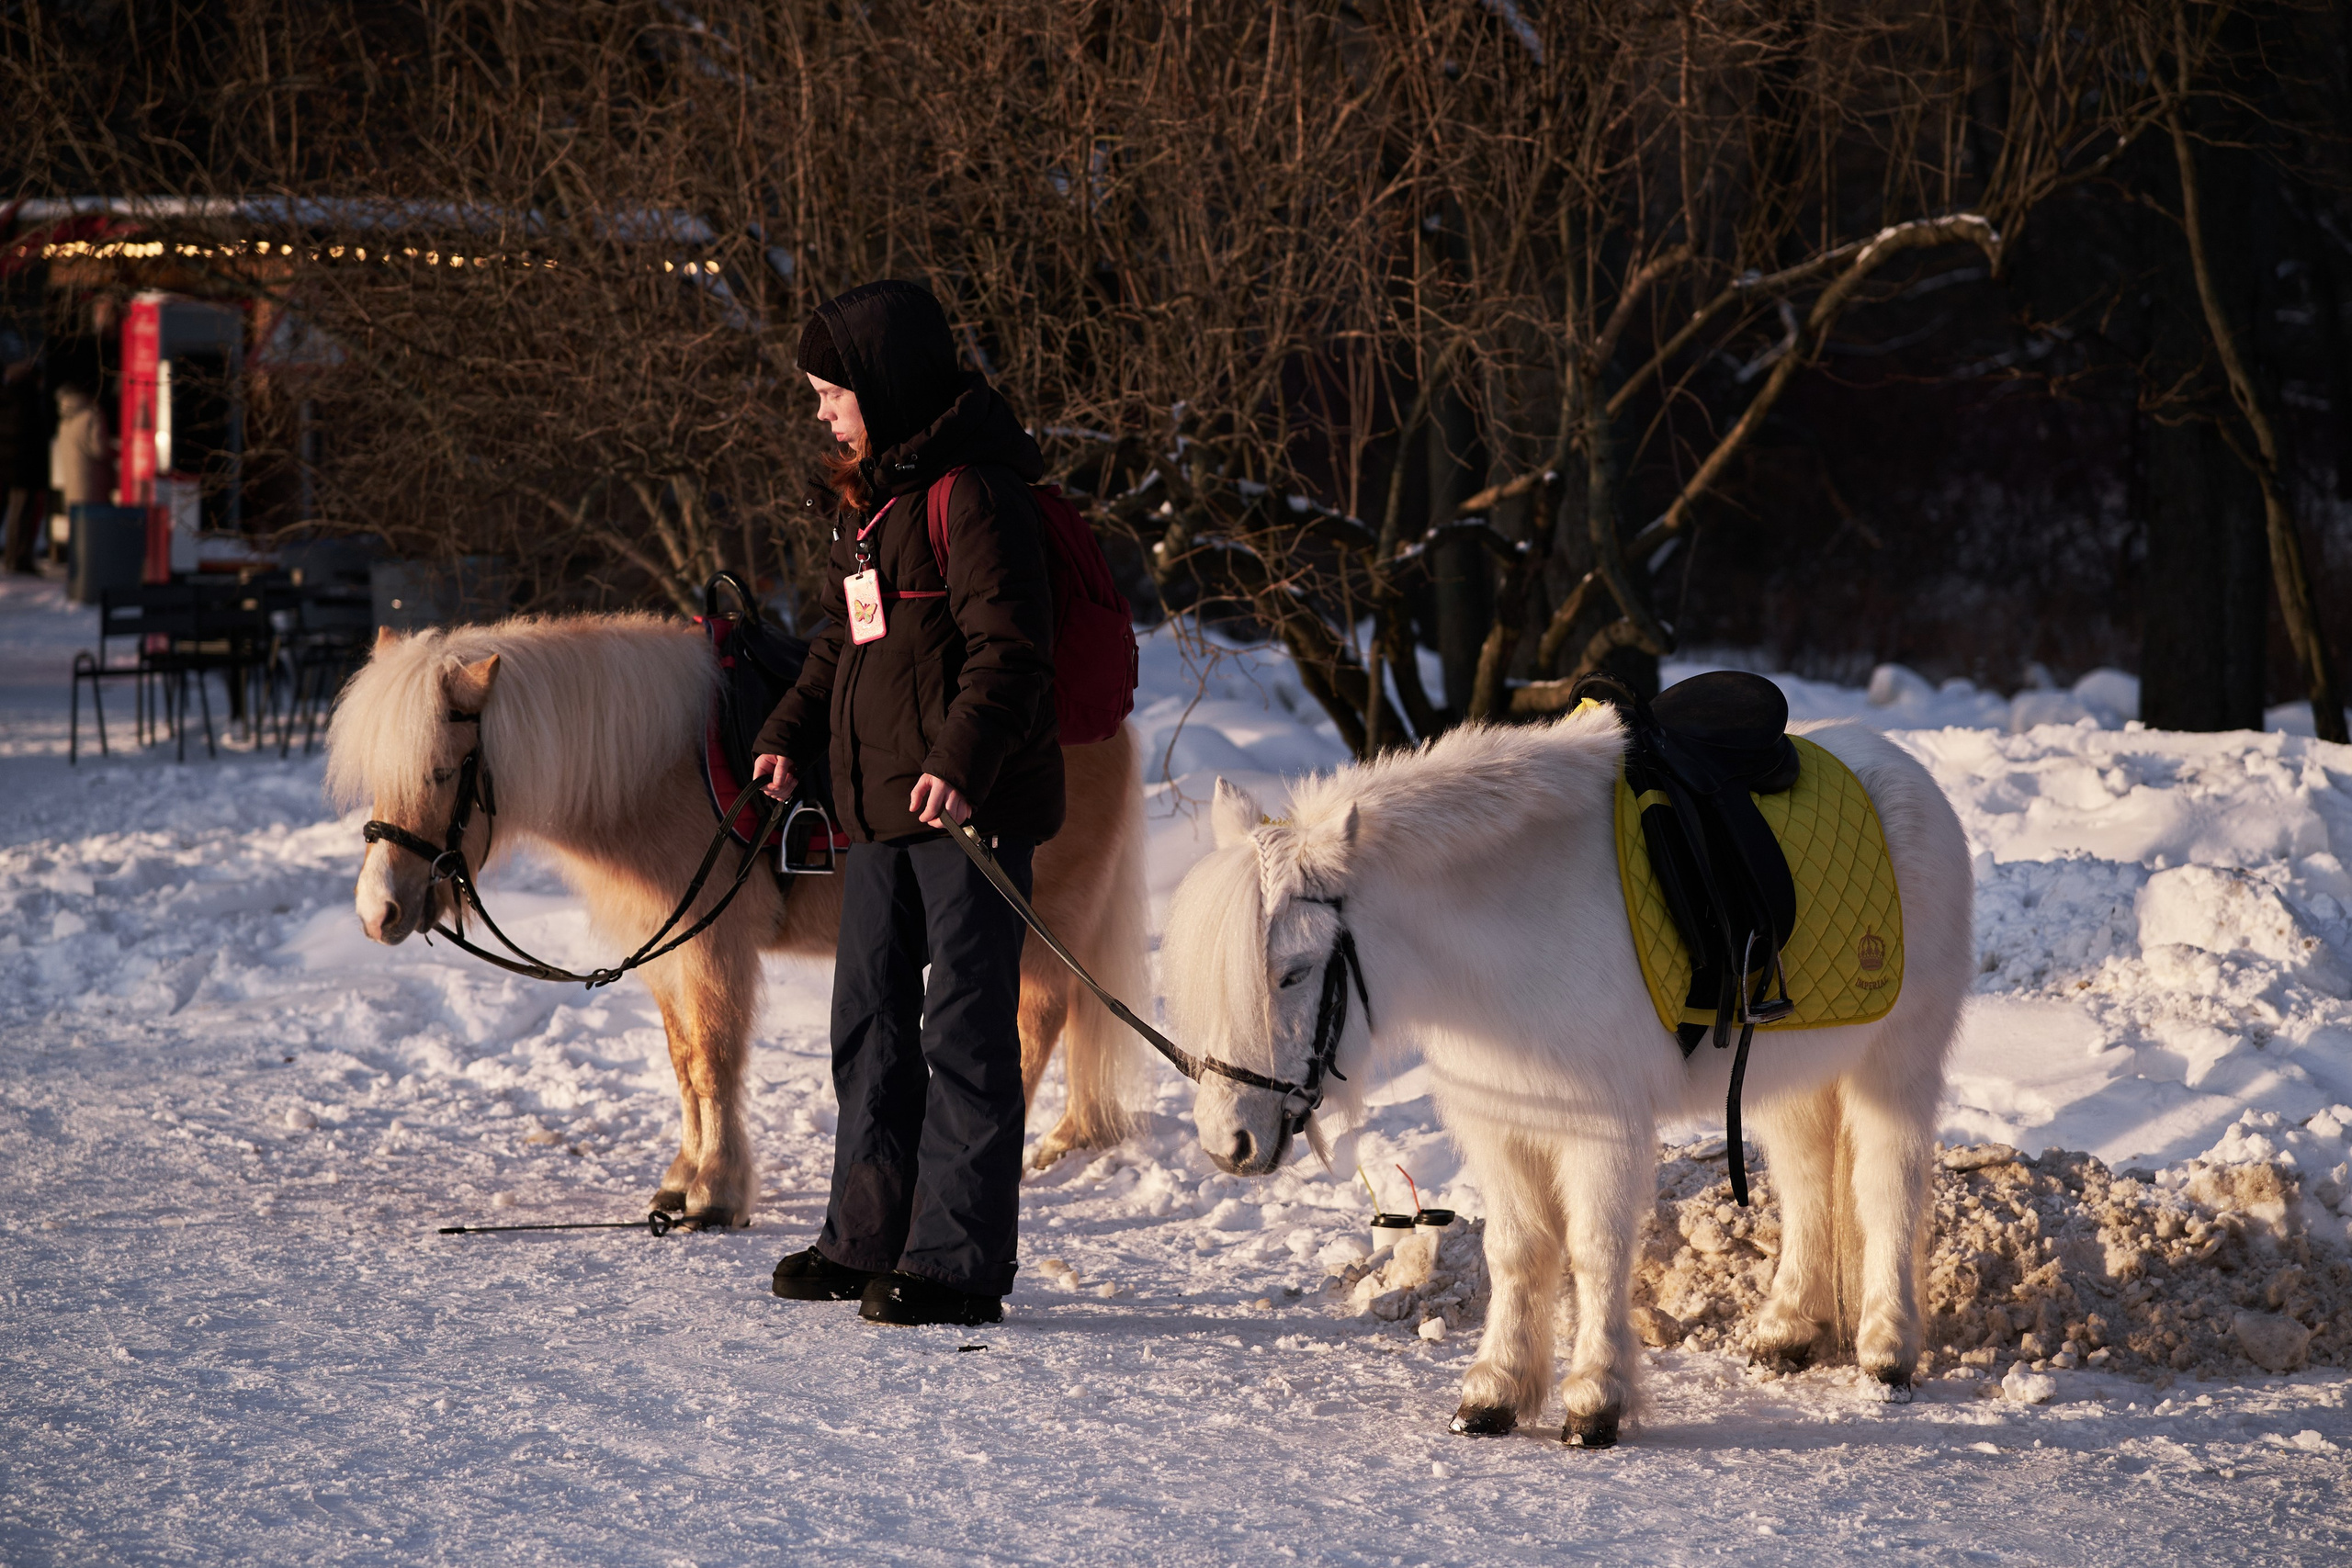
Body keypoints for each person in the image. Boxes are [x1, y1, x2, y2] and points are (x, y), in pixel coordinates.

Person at [753, 280, 1061, 1328]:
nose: (823, 412)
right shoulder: (875, 499)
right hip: (879, 808)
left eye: (834, 391)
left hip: (967, 809)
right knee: (870, 1025)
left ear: (882, 384)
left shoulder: (971, 493)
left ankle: (958, 1260)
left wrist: (961, 762)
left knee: (966, 1032)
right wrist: (789, 735)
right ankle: (867, 1233)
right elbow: (845, 640)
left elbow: (1012, 650)